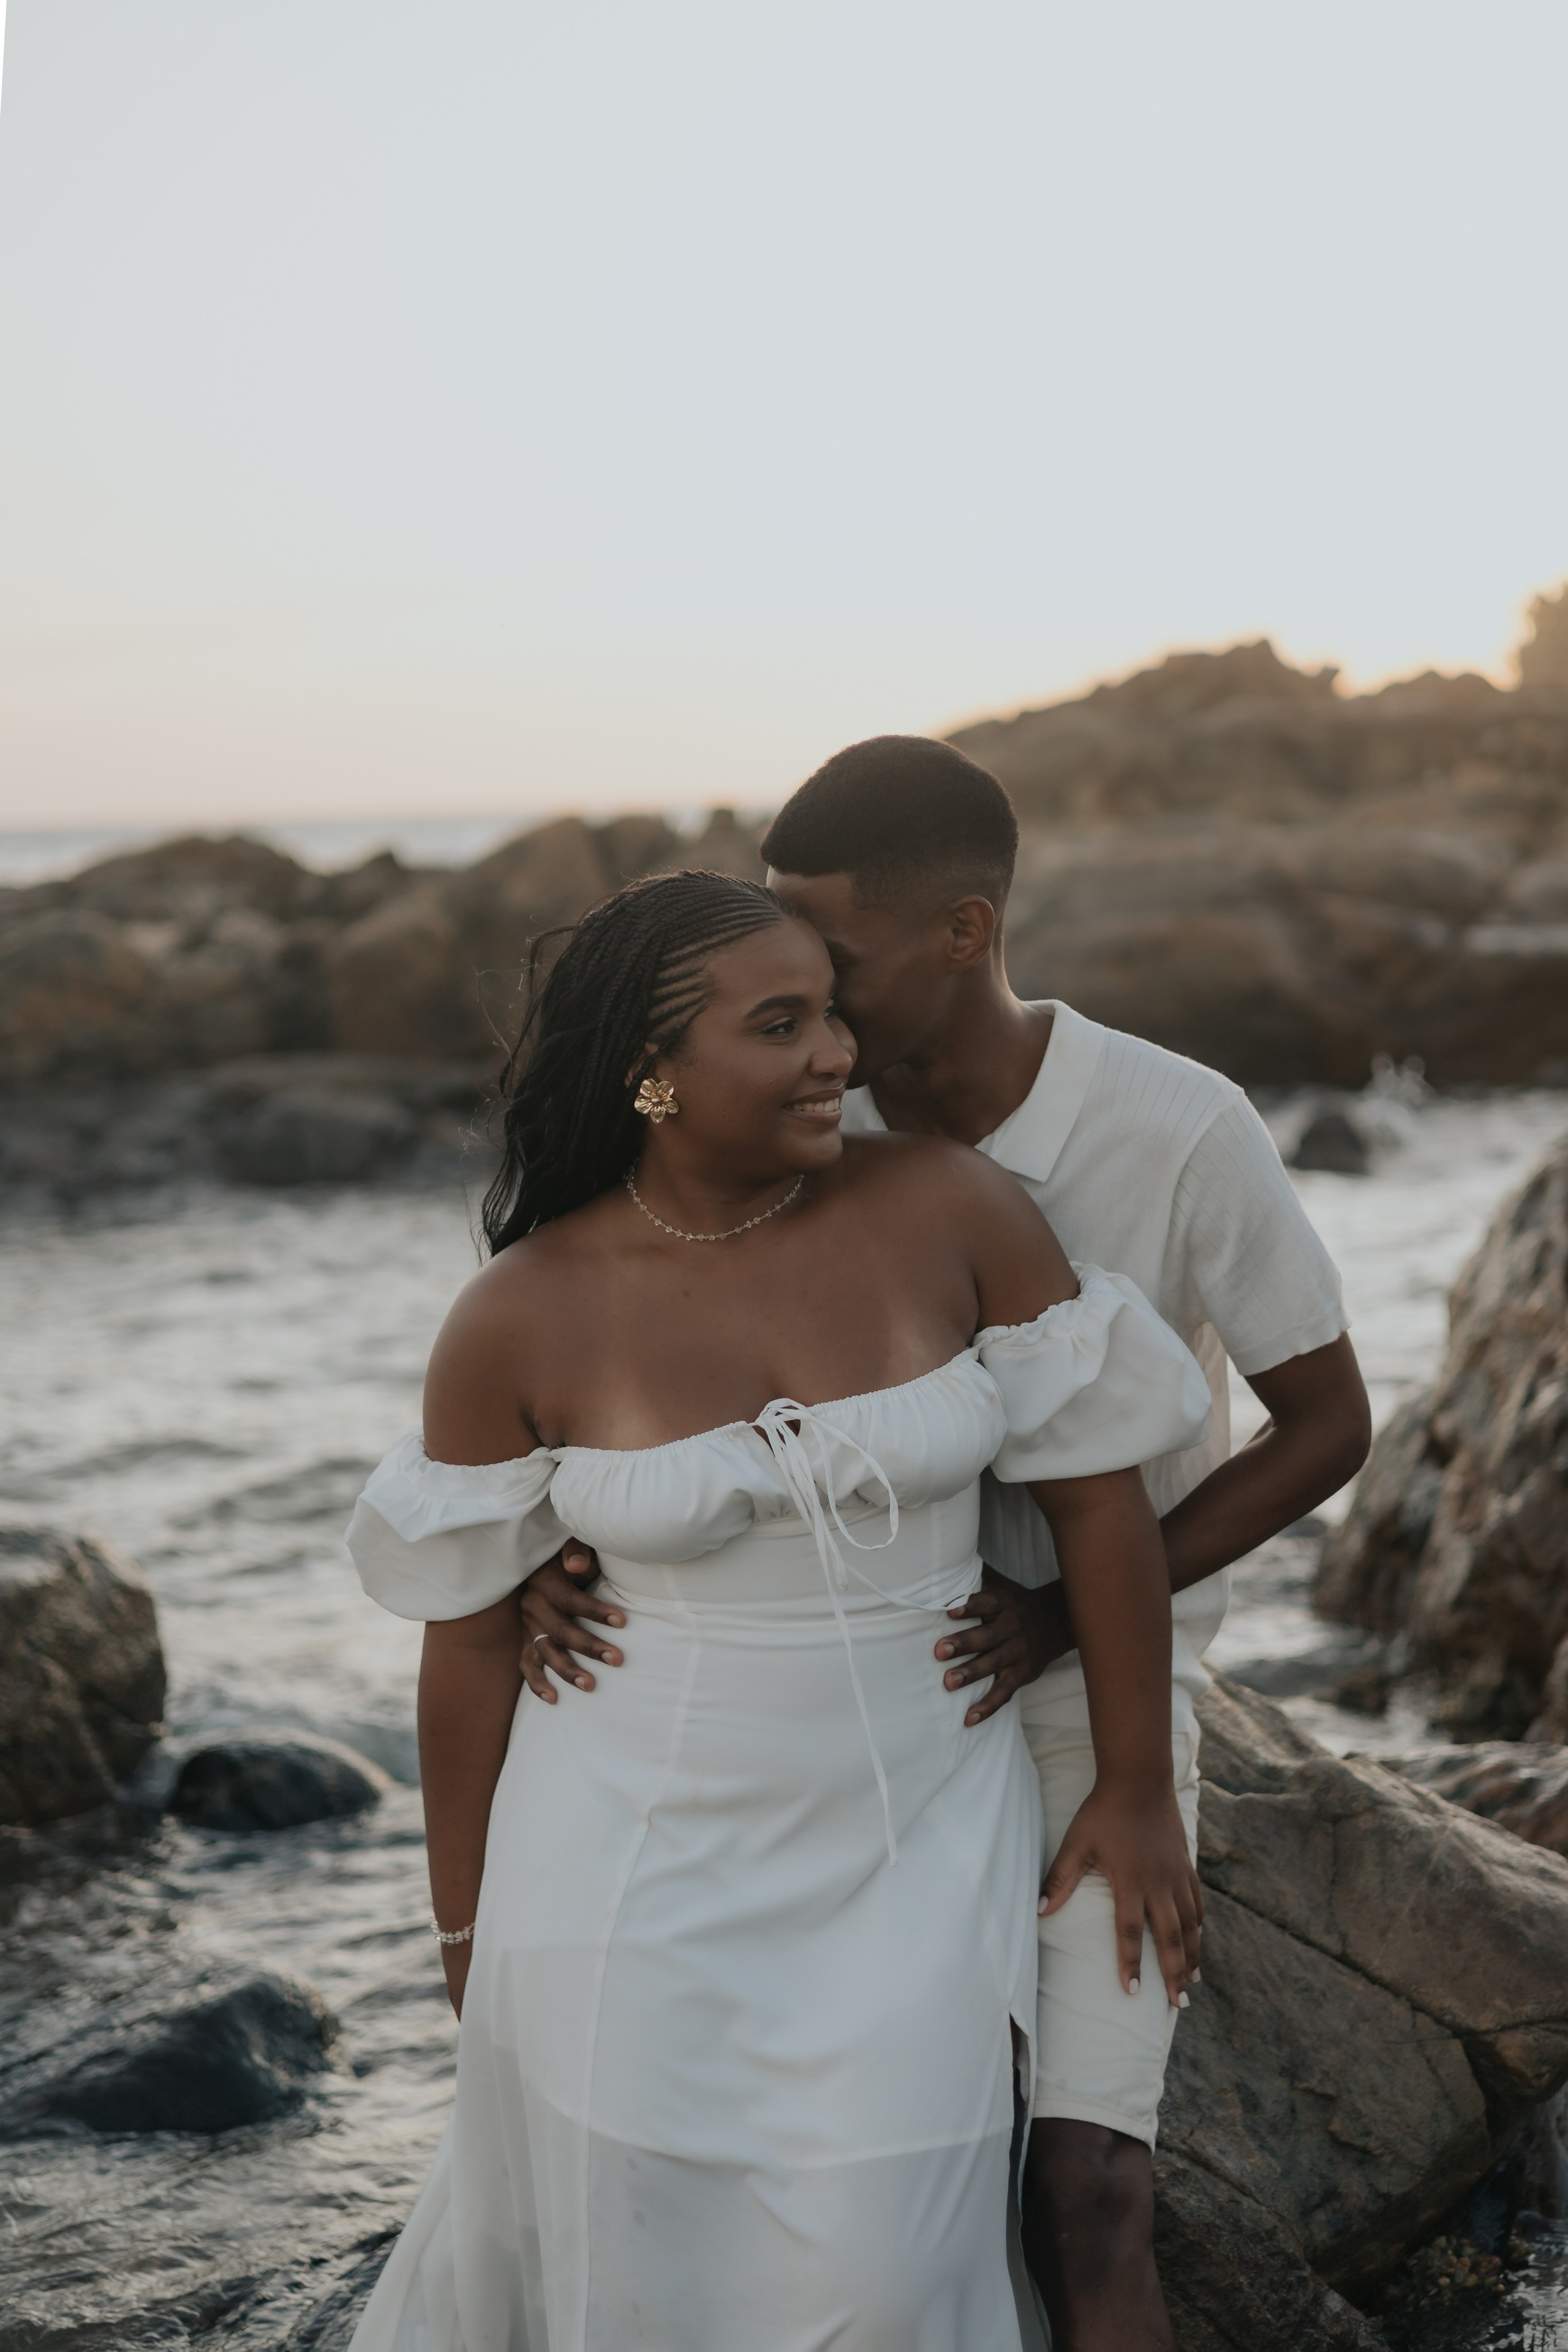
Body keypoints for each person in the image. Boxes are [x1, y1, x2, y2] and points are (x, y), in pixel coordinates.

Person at [520, 750, 1373, 2352]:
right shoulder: (794, 1119)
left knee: (1091, 2189)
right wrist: (558, 1546)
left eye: (832, 963)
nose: (798, 997)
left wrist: (1077, 1653)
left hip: (1077, 1699)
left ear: (962, 933)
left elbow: (1328, 1425)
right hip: (838, 1723)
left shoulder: (1180, 1128)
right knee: (836, 2191)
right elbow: (629, 1332)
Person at [345, 868, 1212, 2352]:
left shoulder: (948, 1206)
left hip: (916, 1833)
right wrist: (466, 1925)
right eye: (780, 1024)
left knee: (882, 2278)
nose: (837, 1055)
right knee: (634, 2273)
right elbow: (471, 1649)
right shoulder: (518, 1314)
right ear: (652, 1076)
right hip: (618, 1862)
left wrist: (1134, 1789)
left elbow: (1095, 1504)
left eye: (829, 1012)